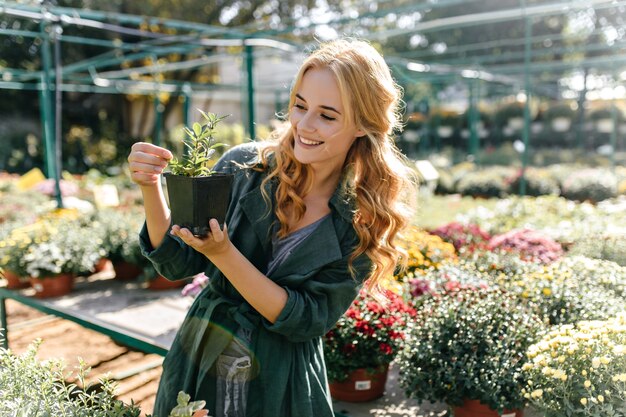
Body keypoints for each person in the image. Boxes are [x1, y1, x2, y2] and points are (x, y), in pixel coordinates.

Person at [127, 38, 416, 417]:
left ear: (363, 125)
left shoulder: (362, 219)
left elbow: (306, 319)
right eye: (300, 105)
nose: (304, 126)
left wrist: (224, 255)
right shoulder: (245, 169)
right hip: (202, 356)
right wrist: (151, 186)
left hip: (281, 381)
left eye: (327, 115)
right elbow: (176, 262)